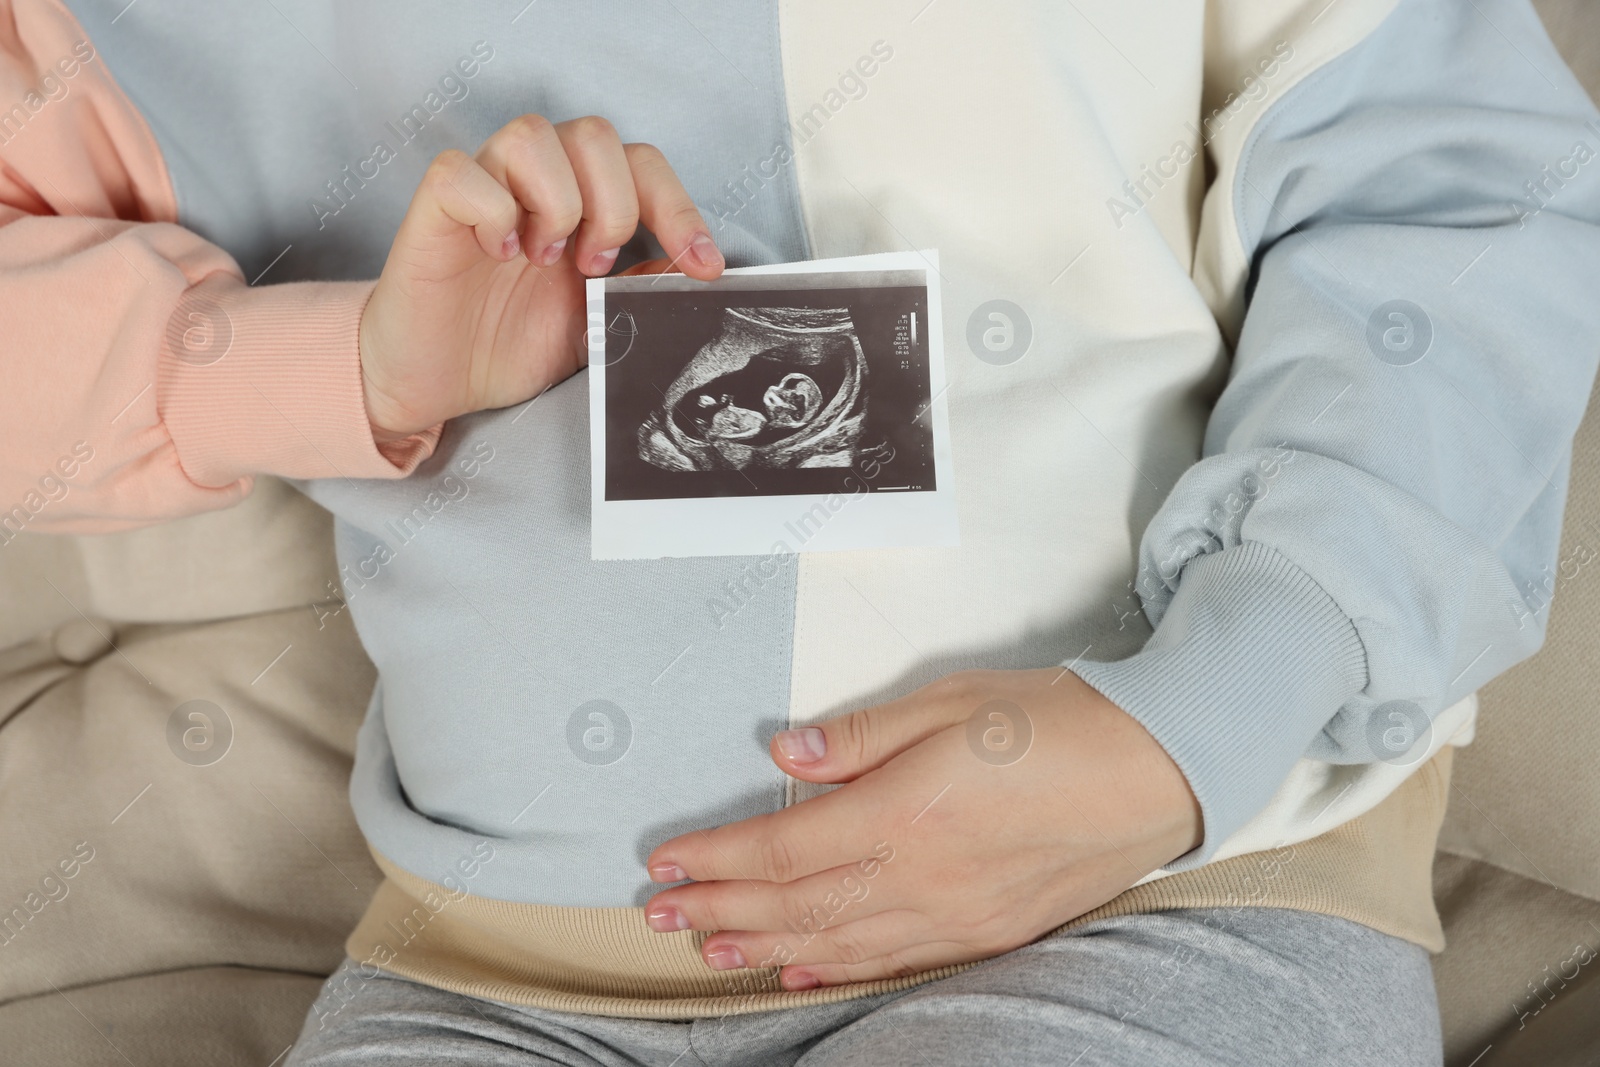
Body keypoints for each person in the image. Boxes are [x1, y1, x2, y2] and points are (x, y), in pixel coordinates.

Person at [3, 0, 1598, 1062]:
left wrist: (1200, 723)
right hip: (484, 976)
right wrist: (335, 363)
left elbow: (1461, 194)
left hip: (1151, 903)